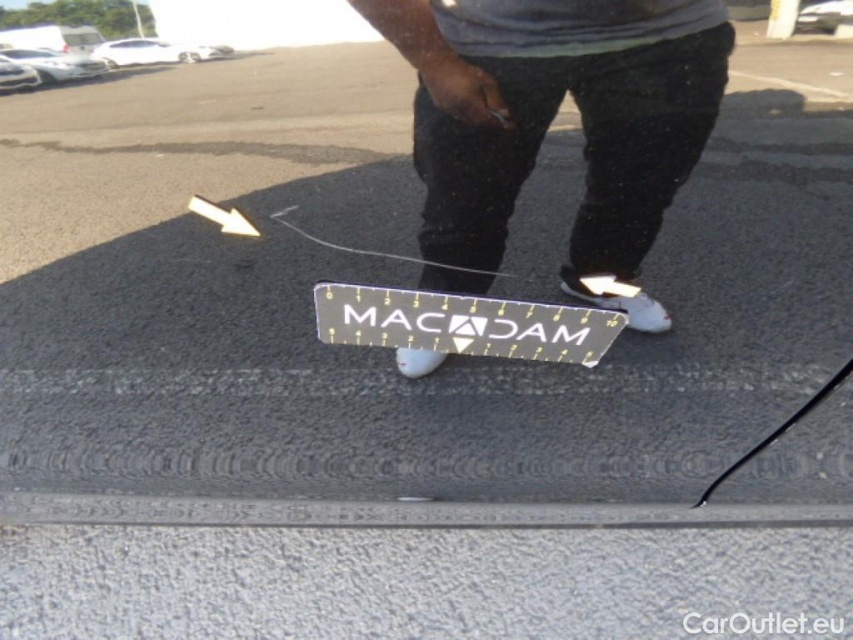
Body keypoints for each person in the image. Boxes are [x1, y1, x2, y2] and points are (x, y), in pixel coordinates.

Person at [347, 0, 736, 378]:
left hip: (672, 35)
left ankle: (600, 282)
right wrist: (435, 60)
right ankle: (447, 307)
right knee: (466, 198)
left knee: (642, 186)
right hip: (491, 37)